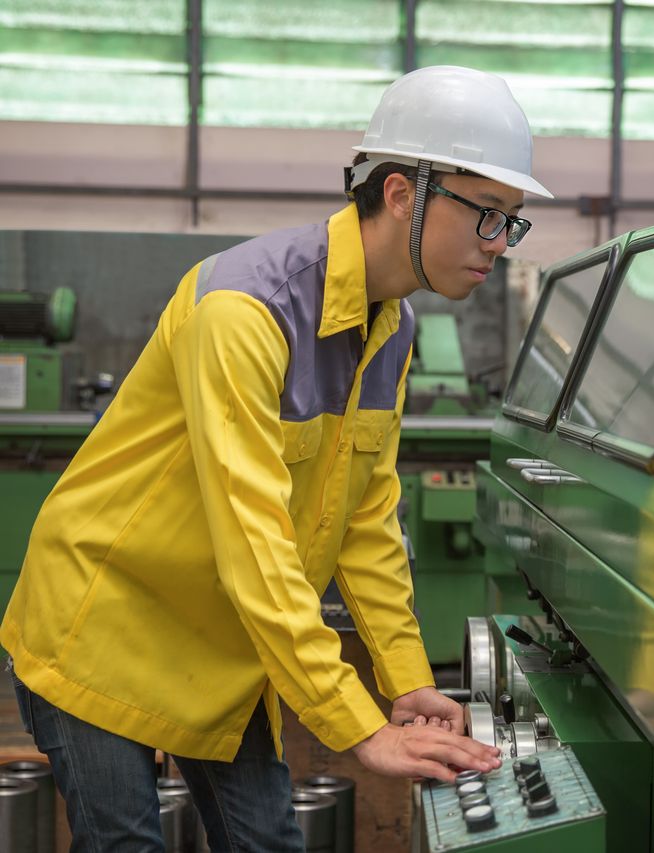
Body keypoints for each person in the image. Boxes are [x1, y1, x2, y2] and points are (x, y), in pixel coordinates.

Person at [1, 65, 553, 851]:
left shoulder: (391, 328)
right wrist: (359, 726)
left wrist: (405, 680)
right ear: (403, 193)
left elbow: (365, 521)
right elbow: (252, 542)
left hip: (220, 650)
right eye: (488, 214)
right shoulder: (244, 309)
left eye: (512, 223)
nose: (498, 244)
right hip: (103, 630)